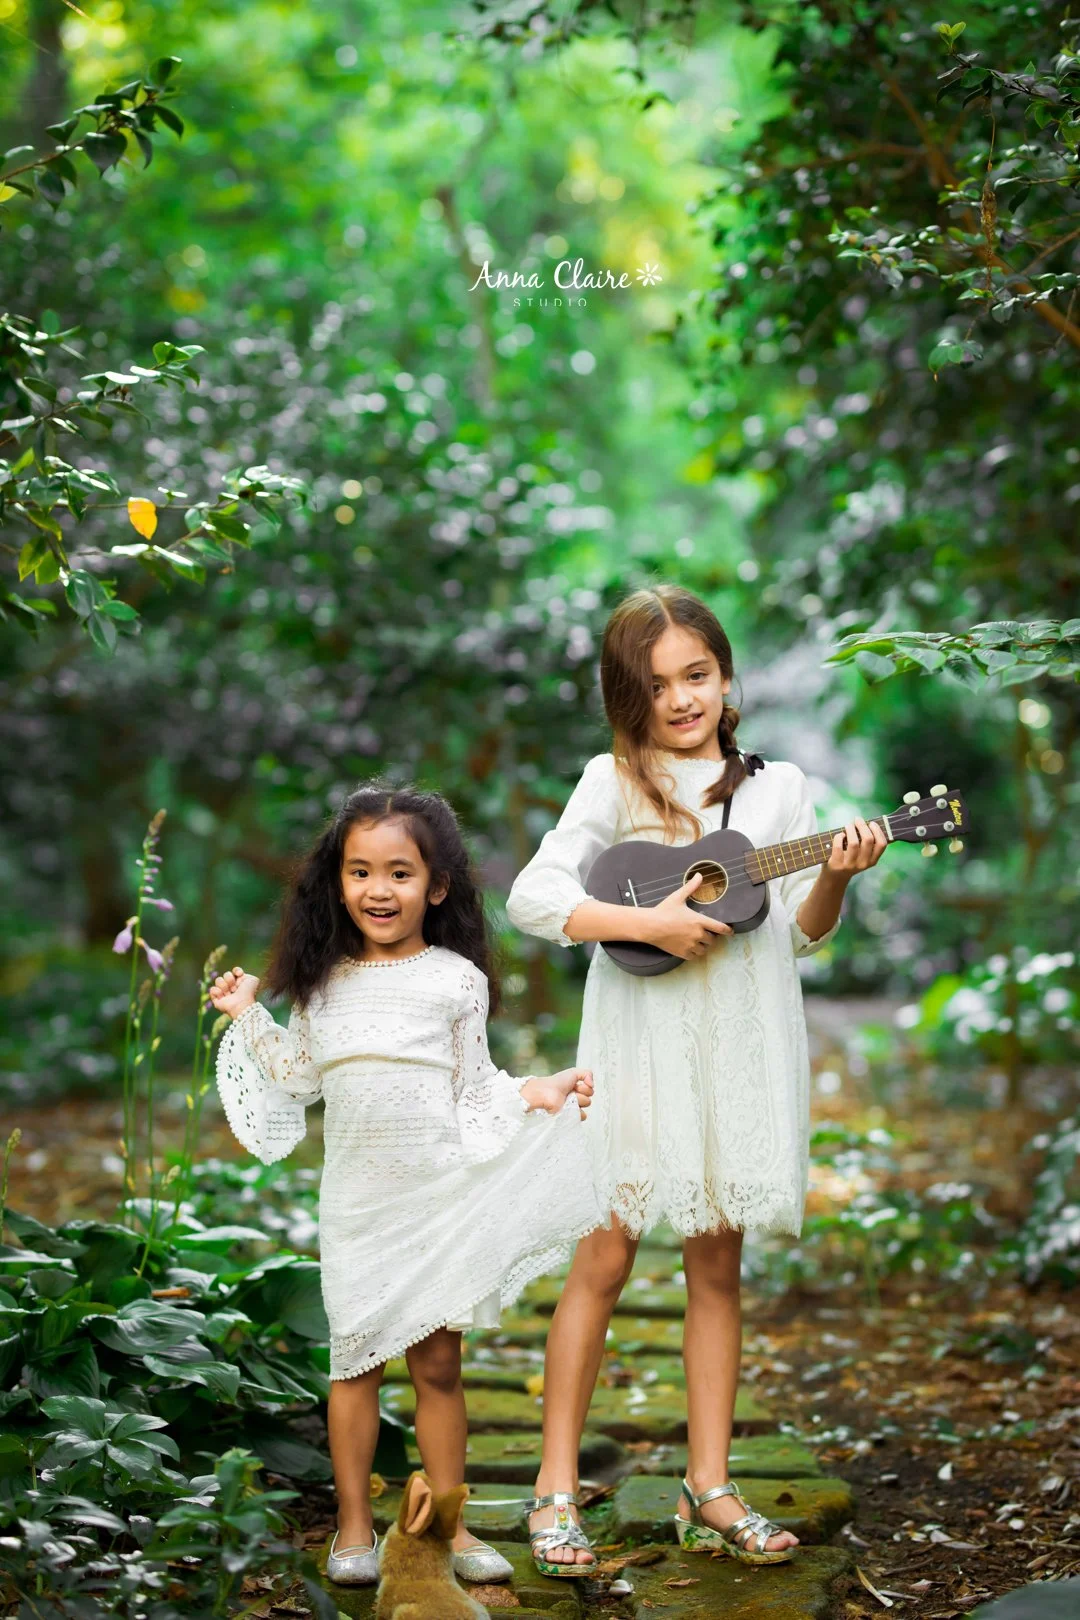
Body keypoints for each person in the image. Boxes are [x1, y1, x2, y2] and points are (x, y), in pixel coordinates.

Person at [505, 584, 887, 1577]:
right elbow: (533, 897)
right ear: (626, 696)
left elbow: (800, 931)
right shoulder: (609, 784)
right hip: (638, 1043)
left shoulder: (782, 791)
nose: (682, 699)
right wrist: (649, 924)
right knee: (605, 1257)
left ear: (727, 679)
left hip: (739, 1049)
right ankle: (553, 1487)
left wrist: (839, 873)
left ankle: (707, 1484)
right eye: (659, 683)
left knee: (718, 1265)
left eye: (699, 675)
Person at [210, 783, 602, 1589]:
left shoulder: (457, 979)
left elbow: (475, 1086)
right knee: (353, 1364)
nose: (378, 890)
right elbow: (297, 1076)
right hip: (357, 1205)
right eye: (360, 872)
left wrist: (539, 1090)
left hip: (436, 1199)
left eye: (398, 873)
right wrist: (251, 1015)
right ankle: (356, 1525)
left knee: (439, 1364)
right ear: (337, 881)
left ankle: (449, 1529)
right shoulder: (323, 983)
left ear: (438, 885)